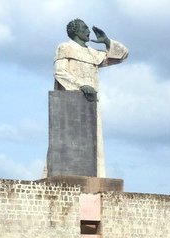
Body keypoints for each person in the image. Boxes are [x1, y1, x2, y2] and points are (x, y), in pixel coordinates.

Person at [52, 19, 128, 178]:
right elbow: (60, 72)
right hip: (72, 100)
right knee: (65, 143)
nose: (88, 30)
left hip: (92, 103)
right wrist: (80, 86)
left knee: (95, 145)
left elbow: (122, 55)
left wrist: (107, 41)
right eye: (84, 28)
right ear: (75, 31)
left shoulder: (93, 53)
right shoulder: (65, 47)